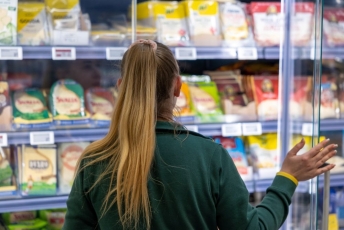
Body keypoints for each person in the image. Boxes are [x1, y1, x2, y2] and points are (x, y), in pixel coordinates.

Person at [63, 40, 337, 230]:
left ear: (121, 87)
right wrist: (286, 178)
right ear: (178, 87)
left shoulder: (93, 160)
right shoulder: (209, 156)